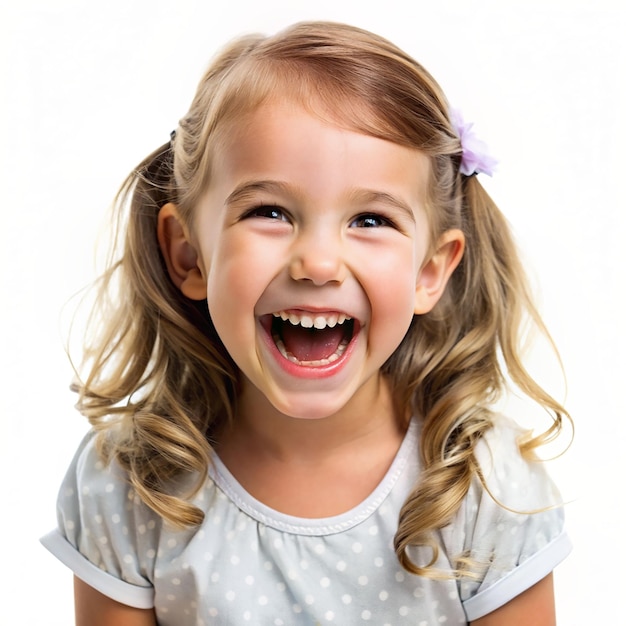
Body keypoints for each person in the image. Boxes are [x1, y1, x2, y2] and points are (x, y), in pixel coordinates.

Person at [41, 20, 572, 625]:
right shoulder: (132, 483)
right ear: (189, 253)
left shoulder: (483, 485)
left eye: (370, 220)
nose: (318, 263)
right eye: (269, 211)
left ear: (430, 271)